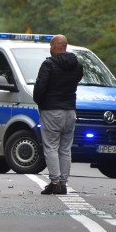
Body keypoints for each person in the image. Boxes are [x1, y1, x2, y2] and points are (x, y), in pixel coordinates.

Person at [33, 34, 84, 195]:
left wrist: (40, 103)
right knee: (65, 149)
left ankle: (55, 182)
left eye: (50, 45)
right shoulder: (77, 65)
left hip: (51, 111)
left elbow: (40, 87)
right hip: (70, 111)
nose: (50, 48)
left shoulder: (48, 65)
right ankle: (63, 182)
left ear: (55, 46)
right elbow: (77, 80)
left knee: (51, 147)